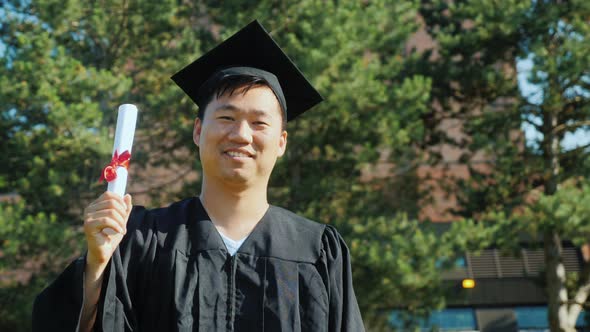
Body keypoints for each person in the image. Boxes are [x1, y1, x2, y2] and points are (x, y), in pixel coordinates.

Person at [33, 20, 364, 331]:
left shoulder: (318, 251)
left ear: (281, 142)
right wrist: (97, 265)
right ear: (198, 131)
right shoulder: (141, 239)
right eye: (226, 117)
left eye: (259, 123)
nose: (241, 135)